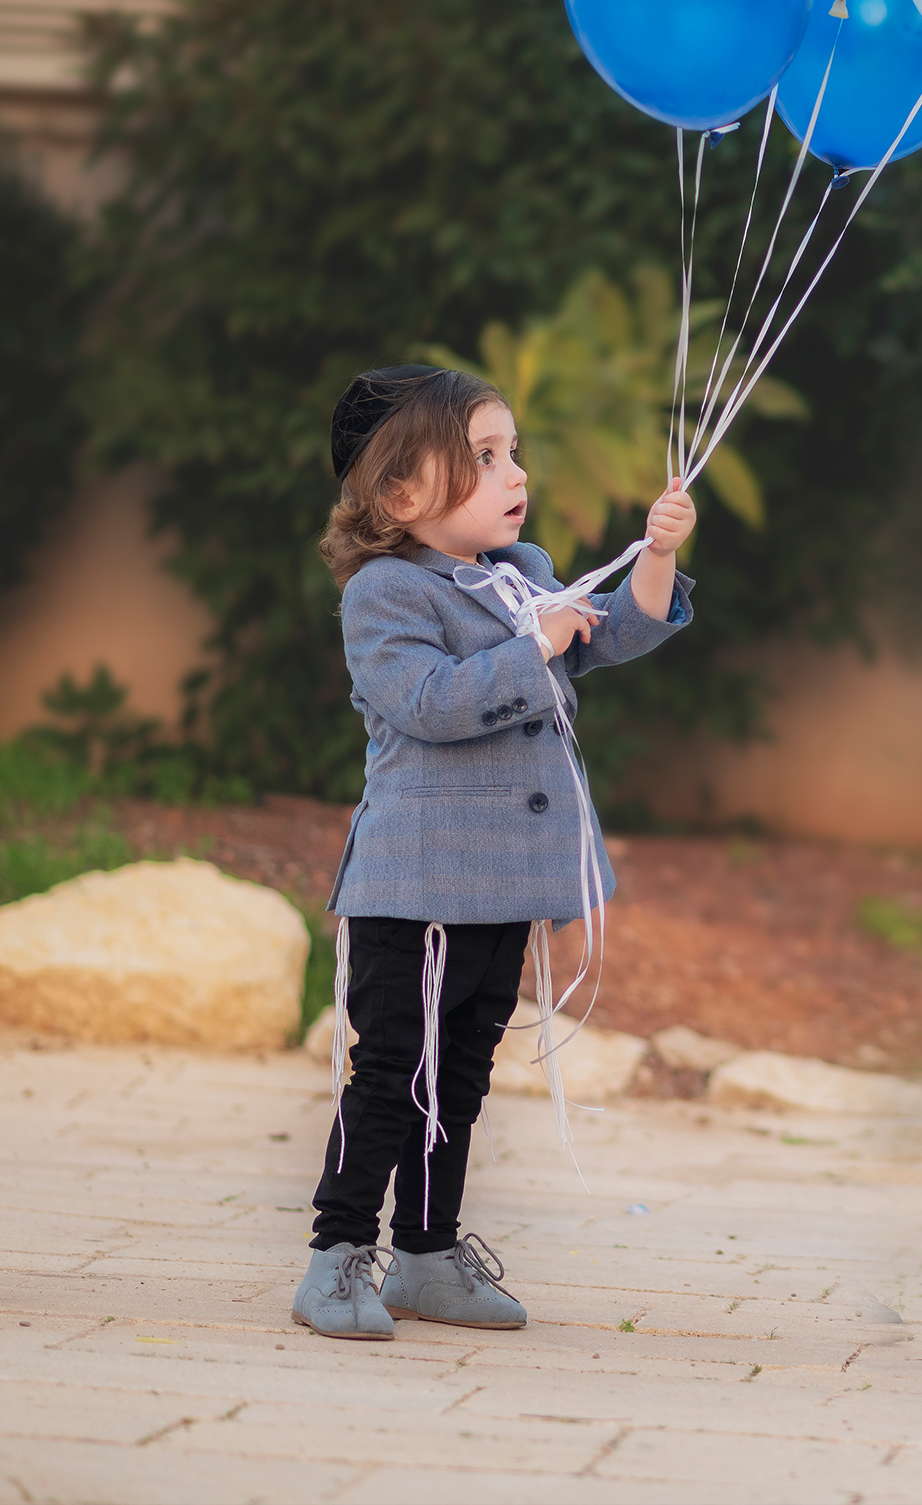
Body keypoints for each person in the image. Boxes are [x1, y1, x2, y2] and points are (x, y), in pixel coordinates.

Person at [293, 364, 696, 1340]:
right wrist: (536, 645)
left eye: (511, 450)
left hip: (503, 882)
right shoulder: (384, 593)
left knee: (461, 1073)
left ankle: (428, 1254)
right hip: (416, 886)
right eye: (481, 456)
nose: (513, 472)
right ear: (400, 493)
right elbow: (429, 702)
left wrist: (655, 555)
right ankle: (336, 1255)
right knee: (393, 1072)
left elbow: (612, 633)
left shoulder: (522, 573)